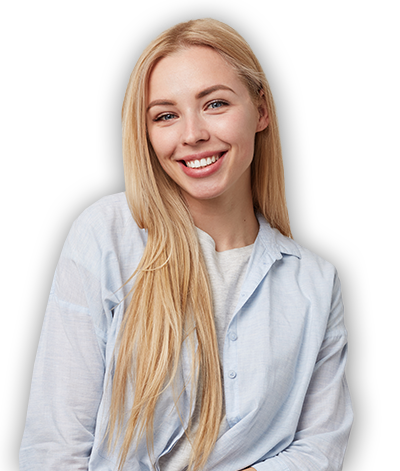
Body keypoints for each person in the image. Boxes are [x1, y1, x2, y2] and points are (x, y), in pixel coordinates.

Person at [19, 16, 354, 471]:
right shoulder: (106, 234)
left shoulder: (315, 282)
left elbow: (320, 451)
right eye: (166, 116)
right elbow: (54, 445)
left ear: (260, 110)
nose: (191, 134)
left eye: (214, 103)